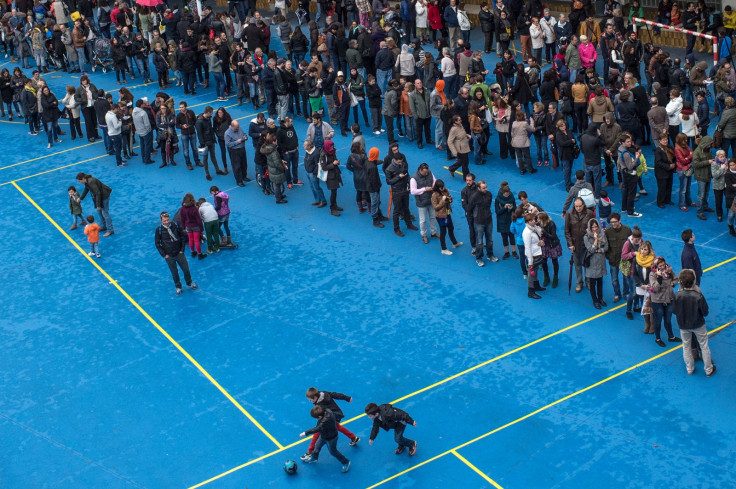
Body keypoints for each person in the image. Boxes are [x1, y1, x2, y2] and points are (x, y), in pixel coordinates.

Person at [673, 269, 715, 376]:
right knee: (704, 346)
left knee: (686, 346)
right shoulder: (698, 296)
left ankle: (690, 368)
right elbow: (705, 312)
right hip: (698, 324)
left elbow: (674, 310)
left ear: (681, 282)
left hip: (683, 325)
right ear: (693, 281)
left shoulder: (677, 295)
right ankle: (708, 369)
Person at [300, 387, 360, 463]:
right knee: (338, 427)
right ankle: (354, 438)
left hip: (331, 417)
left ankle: (309, 452)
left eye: (310, 400)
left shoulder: (321, 406)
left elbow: (320, 426)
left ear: (315, 397)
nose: (310, 401)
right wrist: (347, 398)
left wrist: (306, 432)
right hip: (334, 414)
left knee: (317, 432)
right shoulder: (323, 393)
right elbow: (335, 394)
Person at [299, 406, 351, 472]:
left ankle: (346, 462)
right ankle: (314, 458)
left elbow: (317, 428)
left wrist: (305, 433)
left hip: (331, 438)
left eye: (316, 418)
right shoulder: (326, 410)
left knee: (333, 452)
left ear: (320, 417)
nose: (316, 419)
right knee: (317, 446)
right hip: (323, 435)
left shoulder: (325, 421)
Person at [649, 256, 681, 347]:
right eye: (660, 266)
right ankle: (658, 338)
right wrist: (659, 278)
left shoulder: (669, 271)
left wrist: (673, 283)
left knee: (668, 319)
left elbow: (676, 279)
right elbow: (654, 288)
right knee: (658, 320)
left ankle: (671, 337)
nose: (663, 267)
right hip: (657, 301)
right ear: (656, 266)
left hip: (669, 299)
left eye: (664, 265)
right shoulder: (652, 274)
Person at [565, 197, 595, 292]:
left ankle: (588, 281)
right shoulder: (569, 214)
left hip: (586, 244)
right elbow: (567, 231)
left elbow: (593, 229)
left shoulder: (589, 214)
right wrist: (570, 244)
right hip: (575, 244)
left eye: (580, 206)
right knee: (577, 264)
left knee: (587, 264)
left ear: (583, 205)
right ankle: (579, 283)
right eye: (576, 206)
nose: (578, 208)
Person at [385, 154, 417, 235]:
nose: (400, 164)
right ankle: (396, 229)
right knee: (397, 211)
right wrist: (398, 177)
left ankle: (409, 224)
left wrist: (410, 185)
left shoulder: (403, 164)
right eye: (399, 162)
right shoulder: (389, 169)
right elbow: (389, 181)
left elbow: (407, 175)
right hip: (396, 192)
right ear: (394, 160)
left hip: (405, 190)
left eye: (401, 162)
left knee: (406, 208)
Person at [470, 180, 499, 267]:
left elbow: (488, 205)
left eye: (486, 187)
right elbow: (469, 208)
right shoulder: (474, 197)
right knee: (479, 242)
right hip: (478, 222)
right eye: (483, 188)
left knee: (489, 240)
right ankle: (478, 258)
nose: (486, 189)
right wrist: (474, 218)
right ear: (478, 188)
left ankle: (490, 255)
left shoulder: (489, 194)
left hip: (488, 220)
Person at [431, 179, 463, 255]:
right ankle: (443, 248)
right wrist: (442, 200)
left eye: (443, 187)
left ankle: (455, 243)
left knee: (451, 228)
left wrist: (449, 199)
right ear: (437, 187)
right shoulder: (434, 195)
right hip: (440, 215)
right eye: (441, 187)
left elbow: (450, 200)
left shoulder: (445, 190)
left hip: (447, 213)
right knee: (443, 231)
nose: (443, 188)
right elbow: (435, 207)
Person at [76, 173, 114, 237]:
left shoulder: (91, 182)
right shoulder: (87, 181)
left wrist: (98, 205)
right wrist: (80, 198)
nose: (79, 182)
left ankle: (110, 230)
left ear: (83, 179)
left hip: (104, 196)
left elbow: (98, 193)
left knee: (105, 213)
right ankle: (103, 226)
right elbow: (86, 189)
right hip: (99, 197)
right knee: (99, 212)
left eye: (79, 181)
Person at [583, 218, 609, 309]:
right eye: (592, 227)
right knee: (592, 283)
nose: (594, 229)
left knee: (600, 282)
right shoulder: (586, 237)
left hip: (600, 261)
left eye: (596, 226)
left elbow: (606, 247)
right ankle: (595, 300)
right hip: (592, 262)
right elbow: (590, 249)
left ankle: (600, 298)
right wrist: (596, 240)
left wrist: (600, 250)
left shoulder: (602, 234)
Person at [410, 163, 438, 244]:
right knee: (423, 220)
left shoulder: (429, 173)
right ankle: (424, 235)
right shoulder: (414, 178)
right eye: (425, 172)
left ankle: (433, 233)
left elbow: (434, 180)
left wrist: (434, 184)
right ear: (420, 170)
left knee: (433, 217)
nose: (426, 174)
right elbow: (413, 191)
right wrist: (424, 189)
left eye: (427, 172)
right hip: (421, 202)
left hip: (431, 200)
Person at [618, 132, 643, 217]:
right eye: (627, 142)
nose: (630, 143)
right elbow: (630, 166)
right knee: (631, 192)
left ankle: (624, 207)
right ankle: (630, 211)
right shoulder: (626, 153)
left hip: (624, 172)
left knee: (626, 191)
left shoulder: (620, 149)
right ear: (623, 142)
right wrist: (636, 158)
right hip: (630, 174)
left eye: (630, 141)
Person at [523, 213, 546, 299]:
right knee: (531, 274)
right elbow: (528, 247)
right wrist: (530, 261)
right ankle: (530, 291)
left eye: (534, 219)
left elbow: (539, 238)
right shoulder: (527, 233)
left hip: (537, 254)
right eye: (531, 220)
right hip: (532, 256)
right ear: (527, 222)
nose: (534, 221)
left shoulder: (534, 228)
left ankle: (536, 286)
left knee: (535, 271)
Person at [179, 193, 207, 260]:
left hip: (188, 226)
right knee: (196, 240)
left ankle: (193, 252)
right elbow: (199, 220)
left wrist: (183, 227)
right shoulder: (194, 209)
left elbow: (182, 219)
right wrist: (201, 228)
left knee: (190, 240)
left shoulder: (182, 209)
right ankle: (200, 254)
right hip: (195, 226)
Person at [693, 135, 714, 220]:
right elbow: (696, 164)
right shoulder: (697, 152)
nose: (710, 146)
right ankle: (699, 212)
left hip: (708, 175)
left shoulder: (708, 151)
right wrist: (708, 162)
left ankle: (705, 206)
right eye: (709, 144)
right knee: (701, 195)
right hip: (701, 176)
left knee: (706, 193)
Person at [538, 211, 562, 288]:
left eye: (538, 218)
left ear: (543, 219)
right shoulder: (539, 224)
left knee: (554, 261)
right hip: (544, 245)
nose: (537, 220)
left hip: (552, 245)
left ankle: (555, 277)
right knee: (544, 261)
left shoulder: (551, 224)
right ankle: (546, 277)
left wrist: (544, 233)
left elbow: (553, 236)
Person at [320, 140, 344, 216]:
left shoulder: (332, 151)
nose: (332, 148)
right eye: (331, 146)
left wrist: (336, 162)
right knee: (333, 192)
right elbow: (324, 167)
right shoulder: (323, 155)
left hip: (335, 173)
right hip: (330, 176)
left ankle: (335, 205)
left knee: (335, 191)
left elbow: (334, 158)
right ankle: (332, 208)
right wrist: (333, 164)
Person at [654, 131, 676, 208]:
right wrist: (669, 166)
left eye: (666, 139)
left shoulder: (670, 147)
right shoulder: (658, 150)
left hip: (669, 171)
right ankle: (660, 202)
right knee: (662, 188)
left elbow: (674, 157)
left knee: (669, 186)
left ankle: (667, 200)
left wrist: (674, 164)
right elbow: (658, 162)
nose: (665, 141)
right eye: (663, 140)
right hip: (661, 173)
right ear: (660, 141)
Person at [495, 184, 518, 260]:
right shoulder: (498, 199)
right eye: (505, 194)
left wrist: (512, 208)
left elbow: (515, 208)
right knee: (504, 237)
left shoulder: (512, 198)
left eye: (508, 194)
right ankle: (506, 252)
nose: (507, 196)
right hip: (502, 220)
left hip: (510, 219)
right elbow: (497, 212)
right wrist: (504, 207)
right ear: (502, 193)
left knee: (512, 236)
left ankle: (514, 251)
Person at [224, 120, 249, 187]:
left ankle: (244, 176)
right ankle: (239, 180)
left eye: (238, 126)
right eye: (236, 127)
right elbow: (228, 144)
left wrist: (245, 137)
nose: (238, 128)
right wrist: (237, 142)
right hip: (235, 151)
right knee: (237, 166)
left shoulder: (239, 128)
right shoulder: (227, 133)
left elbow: (244, 134)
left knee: (244, 164)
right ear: (232, 126)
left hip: (242, 149)